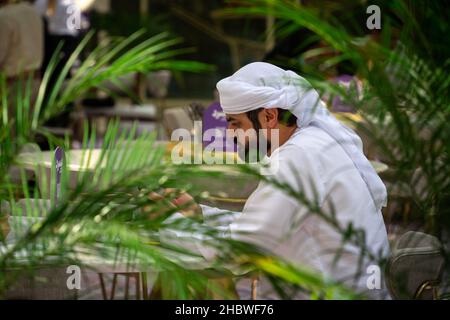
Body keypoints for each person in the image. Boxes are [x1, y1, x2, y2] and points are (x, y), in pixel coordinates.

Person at [162, 62, 390, 299]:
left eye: (235, 123)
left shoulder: (298, 156)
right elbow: (263, 226)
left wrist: (166, 225)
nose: (231, 134)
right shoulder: (316, 142)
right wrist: (200, 214)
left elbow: (239, 250)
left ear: (269, 116)